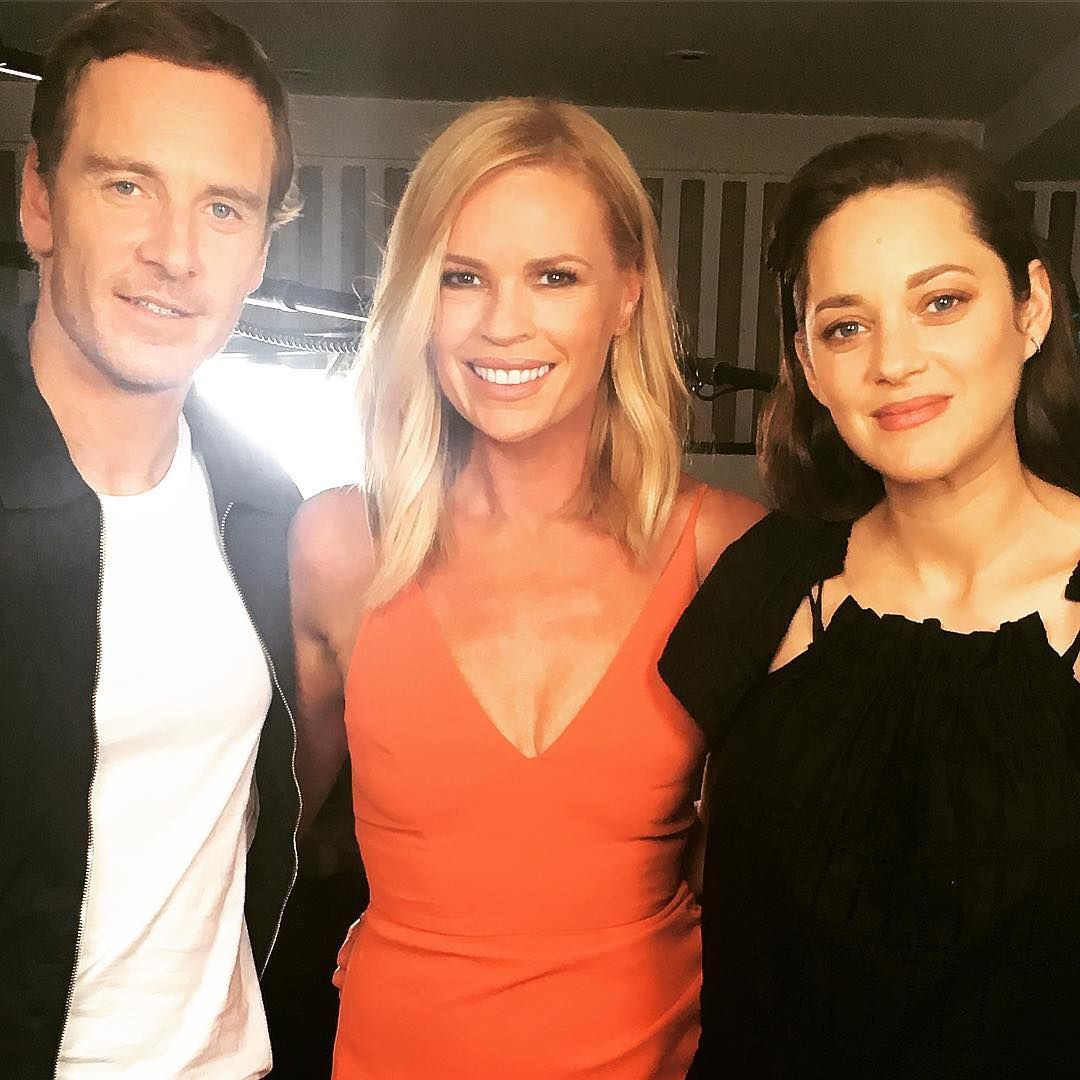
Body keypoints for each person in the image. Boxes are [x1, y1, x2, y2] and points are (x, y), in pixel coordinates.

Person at [290, 97, 762, 1079]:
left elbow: (778, 877)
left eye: (555, 276)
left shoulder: (723, 551)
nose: (503, 324)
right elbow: (254, 854)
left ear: (626, 295)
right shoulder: (341, 547)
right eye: (461, 276)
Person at [660, 130, 1080, 1078]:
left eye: (942, 302)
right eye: (846, 326)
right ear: (809, 365)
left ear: (1032, 309)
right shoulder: (766, 580)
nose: (895, 361)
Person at [0, 3, 304, 1076]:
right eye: (126, 185)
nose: (174, 253)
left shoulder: (270, 512)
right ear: (39, 200)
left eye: (222, 208)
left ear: (259, 251)